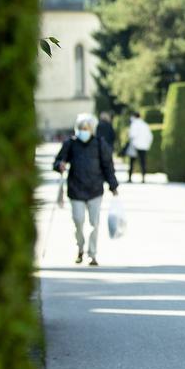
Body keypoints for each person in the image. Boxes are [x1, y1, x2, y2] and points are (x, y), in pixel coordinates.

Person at [53, 114, 119, 266]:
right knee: (78, 220)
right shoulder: (71, 143)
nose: (84, 131)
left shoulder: (99, 144)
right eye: (82, 128)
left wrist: (113, 185)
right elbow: (58, 161)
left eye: (87, 128)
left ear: (92, 129)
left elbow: (108, 166)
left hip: (95, 189)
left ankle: (92, 254)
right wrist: (59, 165)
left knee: (94, 224)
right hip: (76, 189)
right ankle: (80, 247)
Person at [127, 111, 153, 183]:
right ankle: (143, 178)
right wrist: (147, 145)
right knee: (143, 162)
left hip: (135, 146)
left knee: (132, 162)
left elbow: (132, 135)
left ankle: (130, 177)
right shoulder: (145, 125)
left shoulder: (134, 124)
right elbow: (150, 136)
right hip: (144, 146)